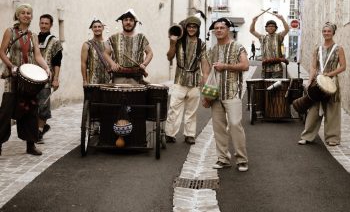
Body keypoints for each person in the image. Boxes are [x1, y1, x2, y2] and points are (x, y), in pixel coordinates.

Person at [0, 4, 51, 156]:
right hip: (13, 77)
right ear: (18, 15)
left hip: (28, 79)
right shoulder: (10, 31)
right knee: (5, 112)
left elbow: (37, 56)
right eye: (22, 13)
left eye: (29, 13)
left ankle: (31, 145)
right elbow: (1, 52)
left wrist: (46, 68)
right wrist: (11, 66)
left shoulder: (33, 35)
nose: (26, 15)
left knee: (30, 111)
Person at [202, 17, 249, 172]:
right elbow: (206, 72)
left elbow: (245, 65)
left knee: (235, 125)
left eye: (222, 27)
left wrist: (226, 66)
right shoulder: (211, 51)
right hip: (215, 95)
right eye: (216, 28)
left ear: (228, 29)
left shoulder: (237, 46)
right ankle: (223, 159)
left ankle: (242, 159)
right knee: (218, 128)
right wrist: (205, 95)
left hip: (232, 92)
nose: (219, 30)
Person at [298, 22, 346, 146]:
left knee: (332, 110)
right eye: (324, 31)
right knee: (313, 110)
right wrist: (309, 81)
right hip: (317, 82)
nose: (326, 33)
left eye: (329, 31)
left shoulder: (338, 48)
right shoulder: (317, 48)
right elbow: (313, 67)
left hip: (332, 83)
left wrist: (330, 74)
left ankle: (332, 138)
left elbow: (343, 66)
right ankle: (307, 136)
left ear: (333, 33)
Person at [164, 16, 209, 145]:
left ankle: (189, 135)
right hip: (179, 80)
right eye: (189, 26)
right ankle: (170, 134)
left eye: (194, 27)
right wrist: (172, 43)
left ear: (198, 29)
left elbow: (204, 63)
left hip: (195, 81)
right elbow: (169, 57)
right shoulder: (178, 41)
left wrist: (205, 79)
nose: (191, 29)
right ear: (186, 27)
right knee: (174, 108)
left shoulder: (202, 44)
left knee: (192, 110)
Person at [104, 9, 153, 84]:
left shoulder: (141, 37)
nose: (128, 22)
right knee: (119, 96)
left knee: (136, 96)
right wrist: (112, 64)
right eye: (126, 20)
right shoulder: (114, 37)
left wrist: (144, 64)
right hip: (118, 77)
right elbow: (105, 53)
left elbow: (150, 53)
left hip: (136, 77)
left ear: (135, 23)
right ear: (122, 22)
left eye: (131, 20)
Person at [36, 14, 63, 142]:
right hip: (32, 78)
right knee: (31, 106)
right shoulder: (33, 39)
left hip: (46, 79)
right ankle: (39, 128)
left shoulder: (55, 42)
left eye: (46, 23)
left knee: (43, 106)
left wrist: (56, 79)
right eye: (42, 23)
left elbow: (57, 62)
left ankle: (39, 131)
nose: (44, 25)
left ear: (51, 25)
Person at [249, 13, 289, 78]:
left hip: (277, 68)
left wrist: (282, 19)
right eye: (269, 26)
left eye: (273, 26)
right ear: (266, 28)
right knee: (265, 87)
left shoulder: (279, 36)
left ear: (275, 28)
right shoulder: (262, 38)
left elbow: (287, 29)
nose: (270, 27)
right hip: (265, 68)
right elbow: (252, 31)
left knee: (277, 86)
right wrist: (253, 21)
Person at [81, 19, 110, 85]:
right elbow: (83, 63)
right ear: (92, 29)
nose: (97, 29)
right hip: (93, 80)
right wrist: (84, 80)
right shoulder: (87, 44)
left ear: (103, 28)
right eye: (95, 27)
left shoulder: (108, 43)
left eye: (99, 26)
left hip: (107, 80)